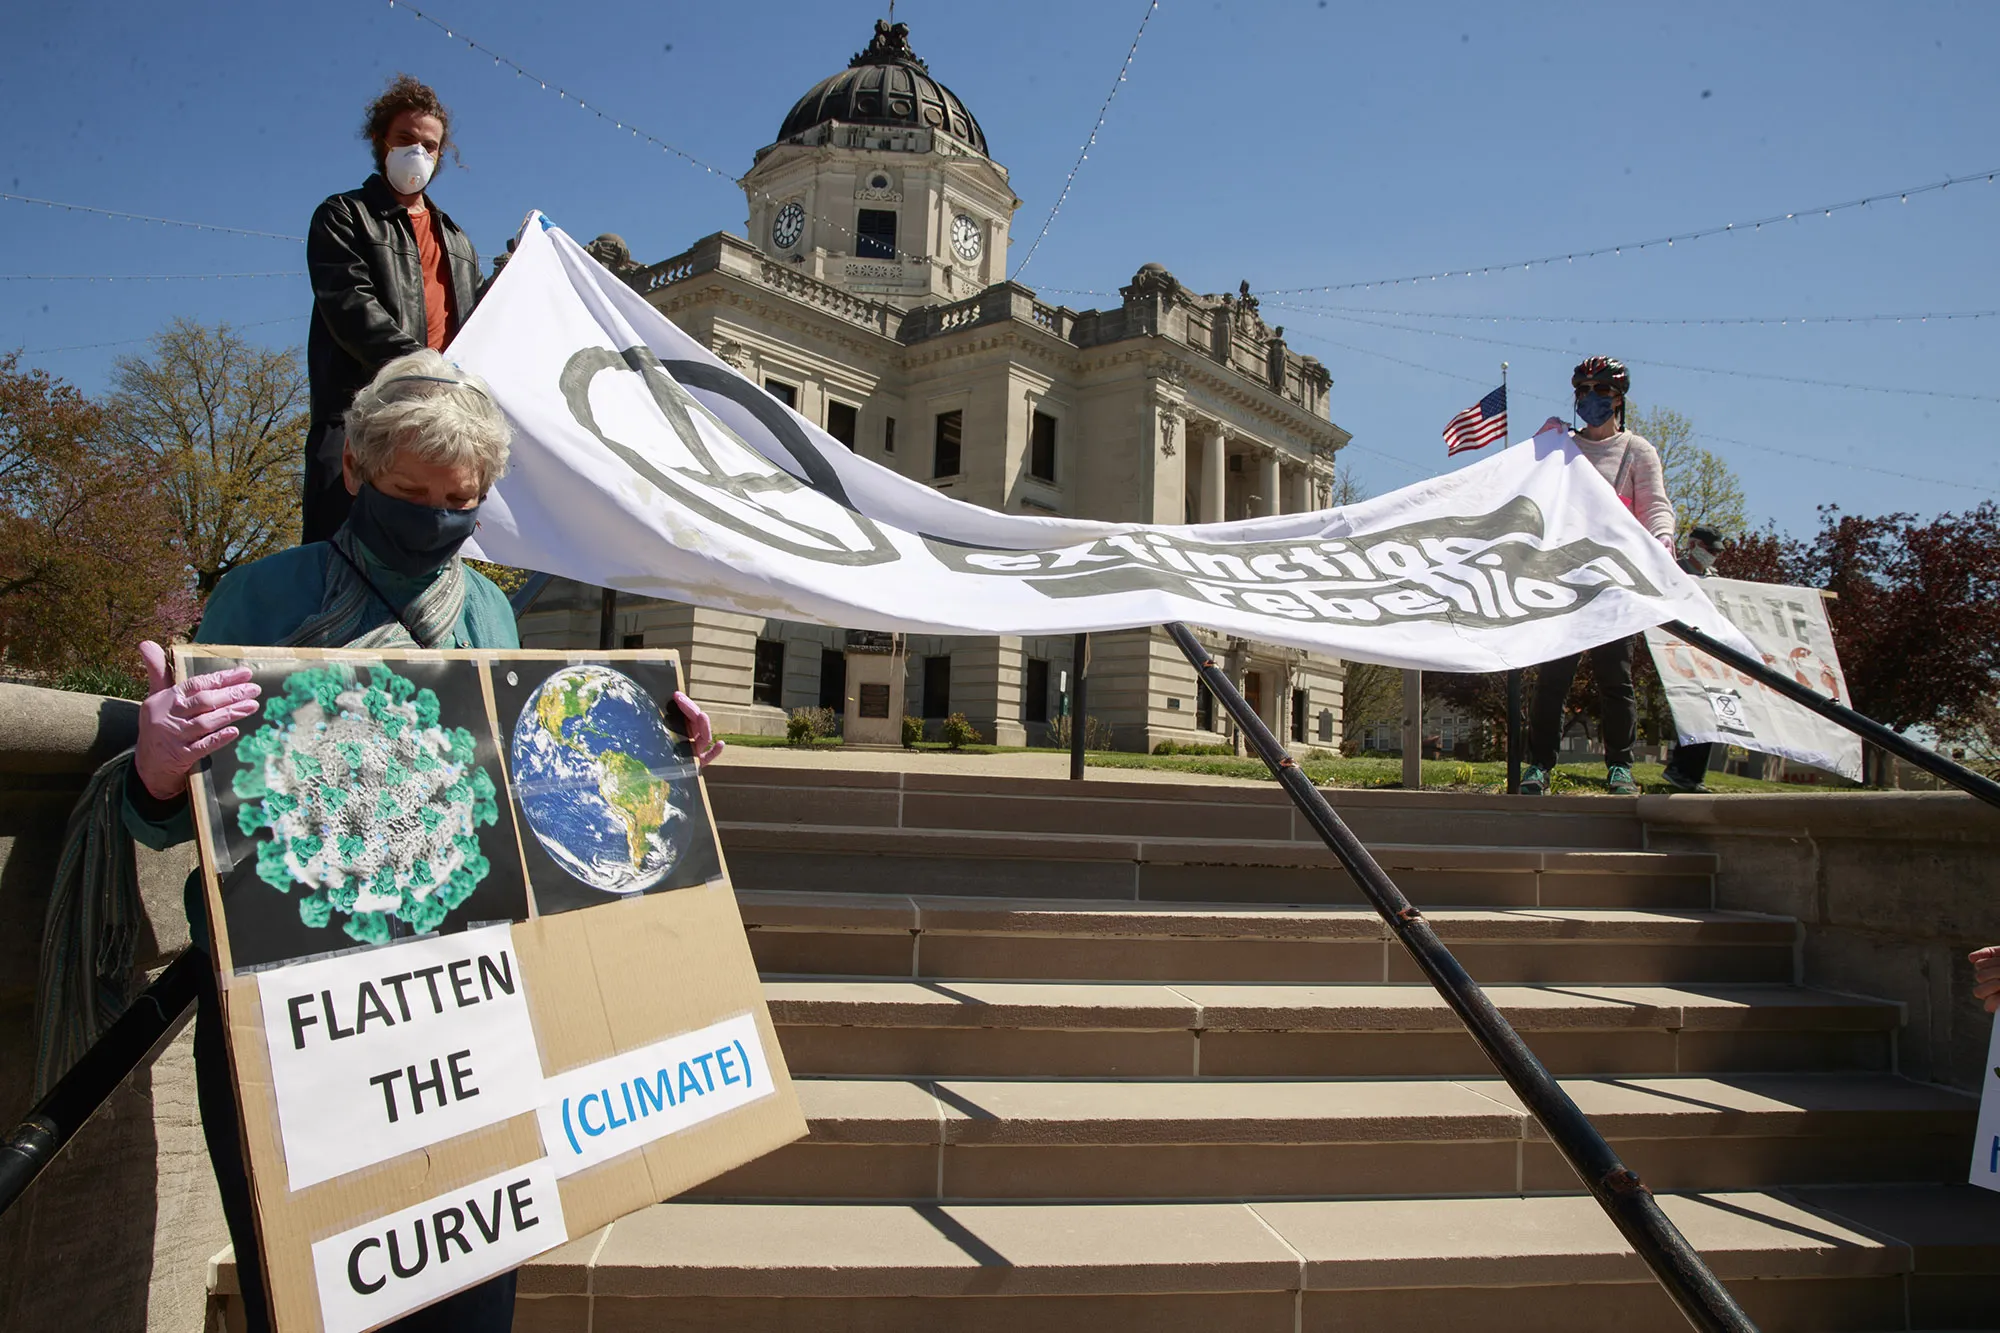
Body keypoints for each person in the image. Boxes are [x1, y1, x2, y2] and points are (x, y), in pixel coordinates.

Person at [124, 352, 724, 1332]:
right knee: (316, 1293)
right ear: (354, 474)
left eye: (462, 498)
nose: (437, 515)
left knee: (466, 1299)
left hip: (457, 1011)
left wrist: (652, 755)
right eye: (410, 492)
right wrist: (156, 770)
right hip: (294, 1019)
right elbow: (173, 820)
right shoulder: (262, 600)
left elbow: (530, 786)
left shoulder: (491, 609)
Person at [304, 74, 482, 545]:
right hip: (358, 417)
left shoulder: (459, 241)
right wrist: (426, 368)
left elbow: (476, 329)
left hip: (437, 424)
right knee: (339, 552)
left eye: (430, 144)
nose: (418, 153)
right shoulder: (342, 215)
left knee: (427, 553)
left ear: (442, 154)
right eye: (405, 140)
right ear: (380, 141)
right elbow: (350, 306)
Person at [1520, 356, 1675, 797]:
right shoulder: (1561, 444)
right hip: (1564, 578)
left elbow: (1656, 506)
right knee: (1552, 679)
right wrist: (1542, 440)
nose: (1591, 399)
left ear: (1619, 398)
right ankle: (1539, 766)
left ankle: (1620, 768)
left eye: (1601, 391)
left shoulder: (1636, 452)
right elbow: (1525, 485)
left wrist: (1662, 541)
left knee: (1616, 679)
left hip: (1614, 582)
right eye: (1583, 391)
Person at [1660, 525, 1726, 793]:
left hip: (1708, 655)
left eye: (1717, 552)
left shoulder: (1716, 579)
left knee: (1711, 710)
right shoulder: (1675, 572)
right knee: (1693, 708)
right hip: (1679, 652)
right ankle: (1680, 770)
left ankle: (1693, 774)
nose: (1715, 556)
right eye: (1710, 550)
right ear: (1694, 545)